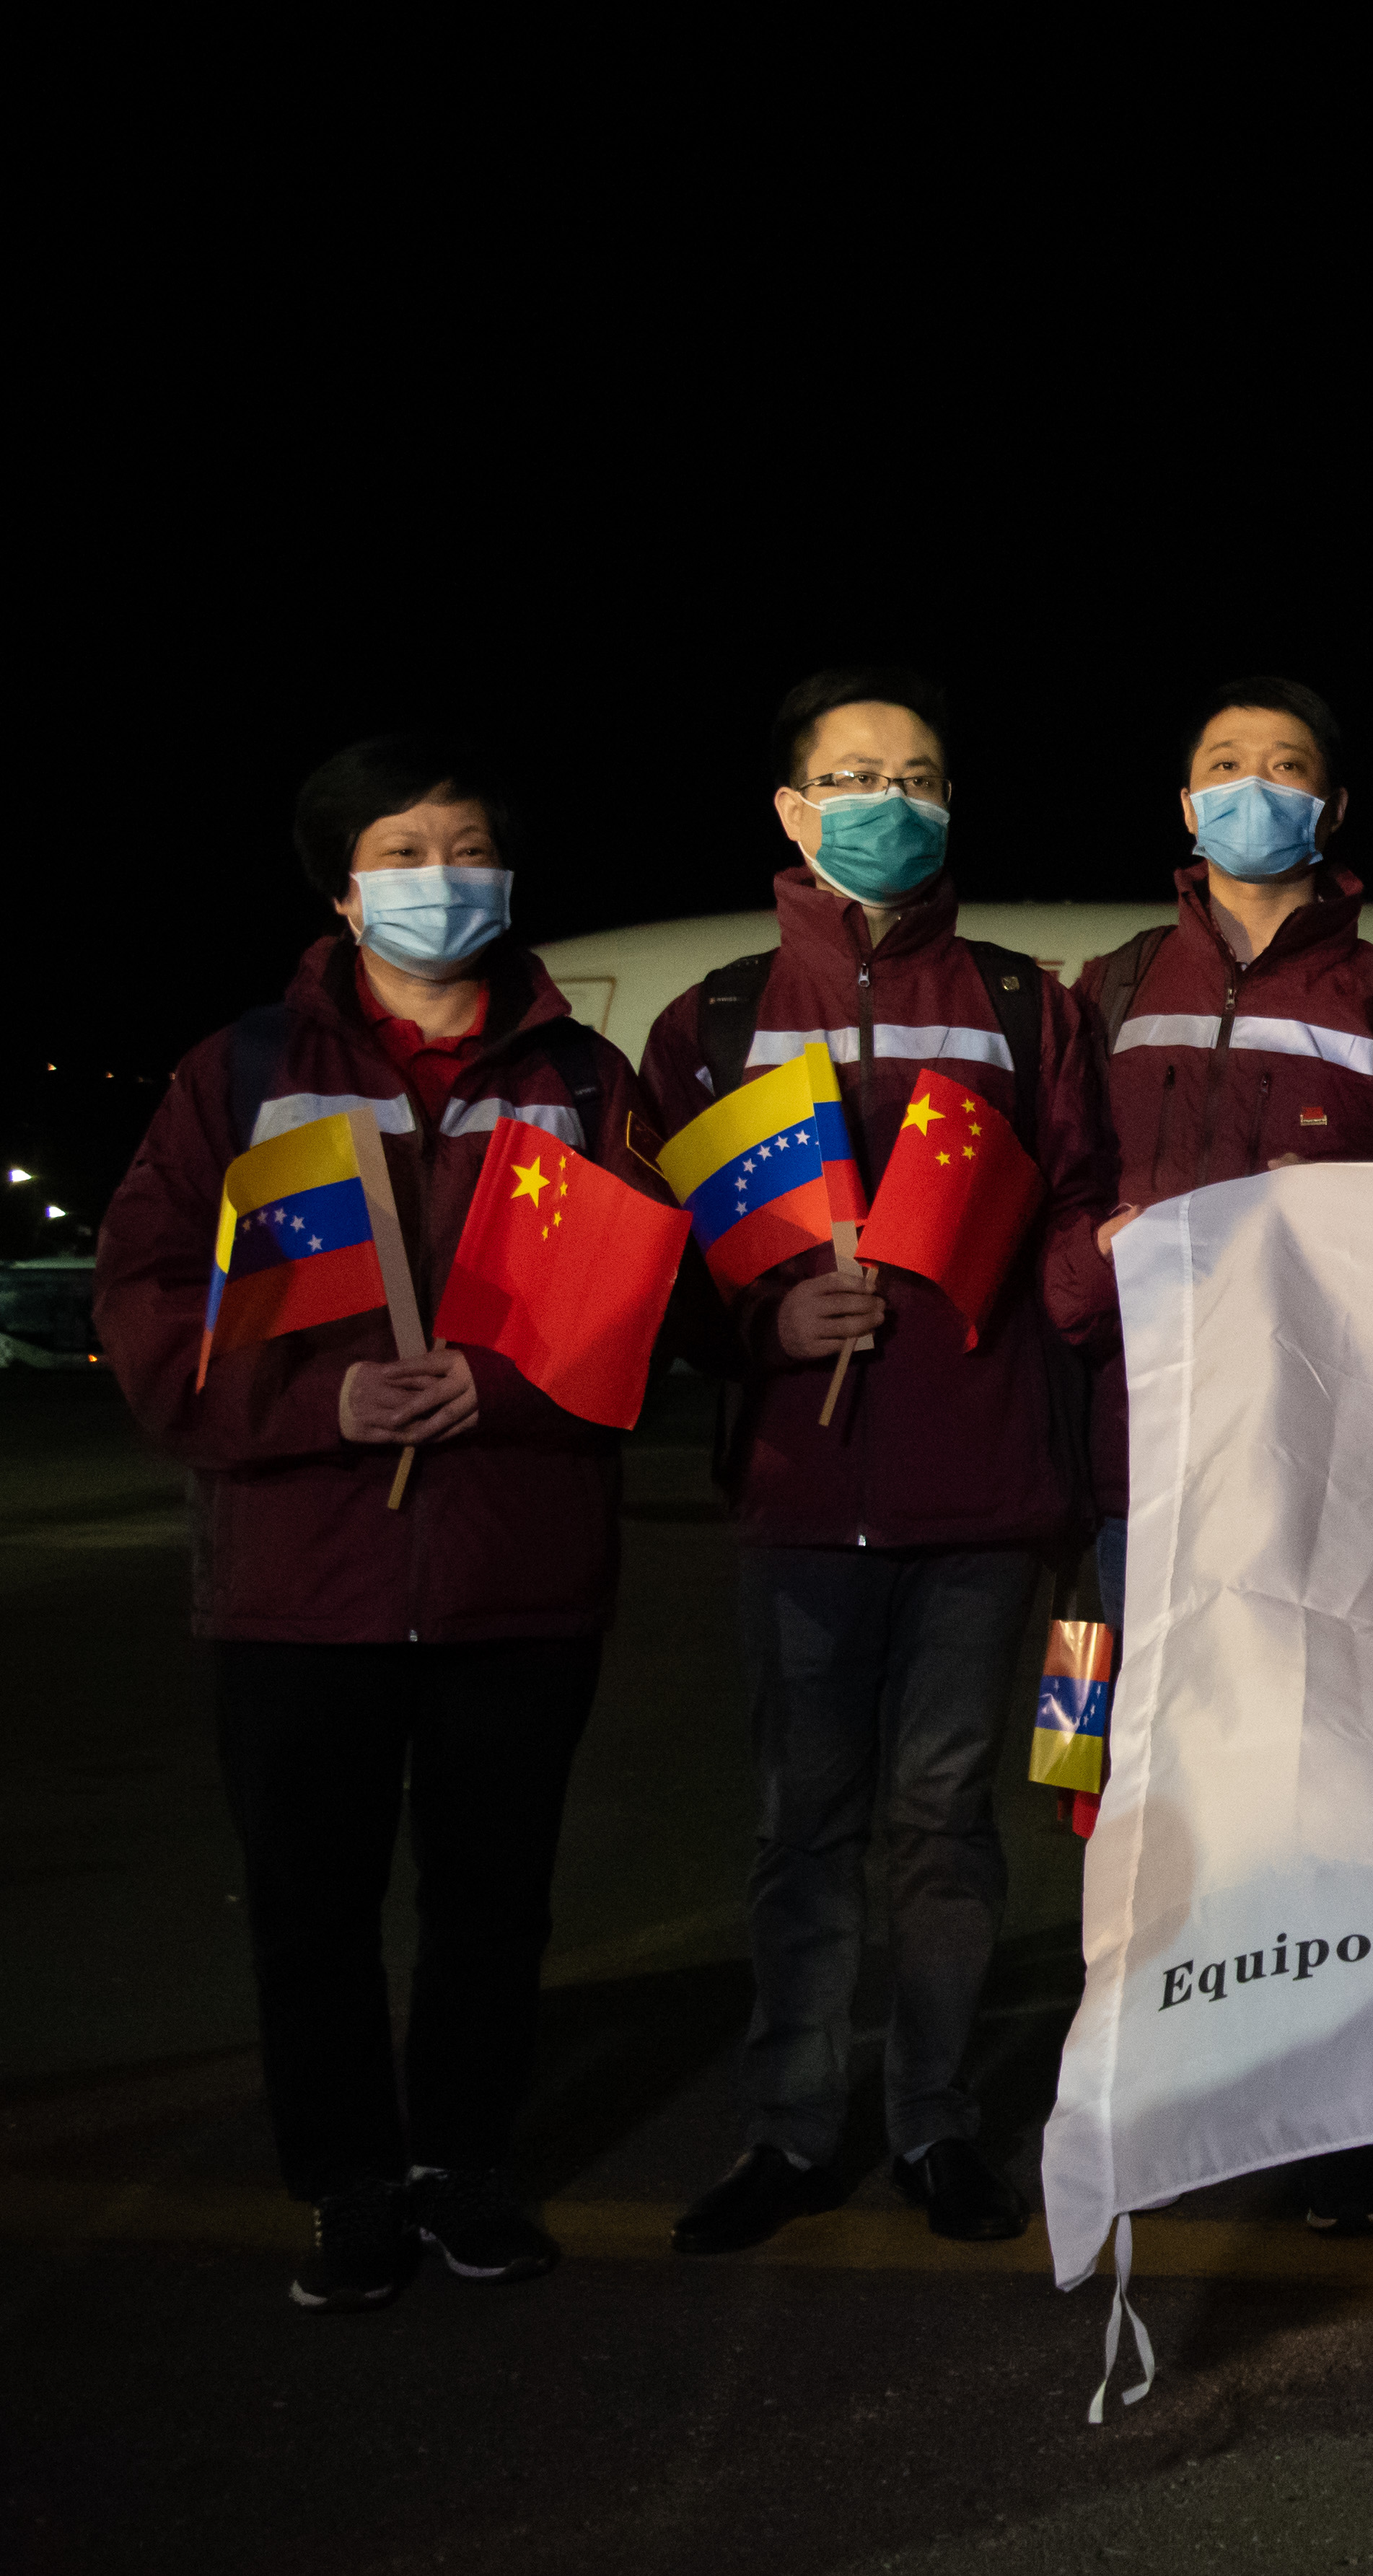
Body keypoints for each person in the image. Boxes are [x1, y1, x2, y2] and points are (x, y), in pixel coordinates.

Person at [94, 739, 663, 2311]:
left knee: (493, 1903)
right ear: (343, 892)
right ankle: (347, 2179)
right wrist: (318, 1402)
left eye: (465, 850)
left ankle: (465, 2163)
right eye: (401, 855)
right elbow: (144, 1296)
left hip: (514, 1575)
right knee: (312, 1909)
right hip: (300, 1582)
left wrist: (503, 1388)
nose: (437, 881)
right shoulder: (240, 1072)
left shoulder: (580, 1080)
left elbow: (643, 1298)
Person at [639, 669, 1116, 2257]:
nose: (886, 803)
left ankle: (931, 2120)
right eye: (852, 778)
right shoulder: (710, 1019)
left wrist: (1104, 1258)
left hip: (980, 1495)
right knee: (801, 1829)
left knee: (944, 1823)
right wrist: (760, 1322)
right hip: (797, 1496)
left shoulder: (1028, 1005)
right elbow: (656, 1257)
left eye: (915, 778)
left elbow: (1069, 1208)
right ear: (792, 810)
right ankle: (787, 2127)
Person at [1079, 676, 1373, 2236]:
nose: (1256, 789)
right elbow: (1048, 1197)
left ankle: (1329, 2115)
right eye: (1226, 765)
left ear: (1332, 806)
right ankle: (1155, 2084)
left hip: (1320, 1471)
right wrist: (1086, 1265)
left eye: (1288, 767)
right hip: (1139, 1467)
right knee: (1131, 1783)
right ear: (1186, 804)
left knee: (1324, 1788)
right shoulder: (1108, 989)